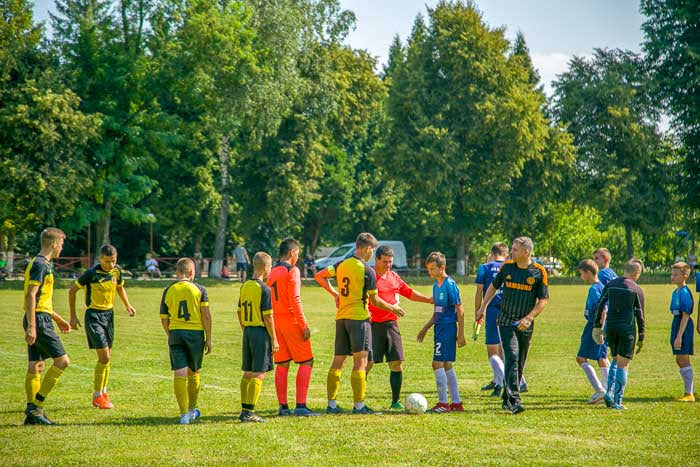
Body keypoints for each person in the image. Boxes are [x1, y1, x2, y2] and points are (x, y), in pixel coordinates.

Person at [315, 232, 404, 415]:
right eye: (371, 250)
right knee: (361, 361)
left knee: (338, 361)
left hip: (341, 318)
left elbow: (320, 276)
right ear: (367, 248)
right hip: (359, 319)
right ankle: (359, 406)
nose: (371, 254)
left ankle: (331, 405)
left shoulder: (342, 264)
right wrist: (393, 309)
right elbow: (375, 301)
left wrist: (335, 294)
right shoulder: (367, 271)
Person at [476, 236, 548, 415]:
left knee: (520, 360)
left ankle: (507, 398)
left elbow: (543, 300)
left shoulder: (539, 272)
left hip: (525, 323)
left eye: (515, 250)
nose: (511, 253)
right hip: (505, 320)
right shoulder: (507, 267)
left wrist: (529, 318)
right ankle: (514, 400)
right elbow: (493, 287)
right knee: (512, 356)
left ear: (526, 252)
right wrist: (483, 307)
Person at [68, 244, 136, 409]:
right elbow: (72, 291)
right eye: (107, 261)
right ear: (100, 259)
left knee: (108, 358)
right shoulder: (91, 274)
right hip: (94, 316)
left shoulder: (116, 271)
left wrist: (127, 305)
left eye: (113, 261)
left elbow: (120, 287)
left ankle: (104, 393)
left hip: (109, 316)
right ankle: (97, 396)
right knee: (104, 357)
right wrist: (73, 317)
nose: (110, 265)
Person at [366, 245, 433, 410]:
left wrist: (429, 300)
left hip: (391, 325)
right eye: (385, 261)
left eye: (390, 262)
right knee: (367, 363)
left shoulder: (394, 277)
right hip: (371, 325)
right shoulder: (369, 276)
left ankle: (395, 401)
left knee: (396, 363)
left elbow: (409, 292)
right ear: (377, 259)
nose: (388, 265)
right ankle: (358, 401)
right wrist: (391, 307)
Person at [23, 227, 72, 425]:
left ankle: (33, 416)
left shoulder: (42, 263)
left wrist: (58, 318)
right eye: (61, 244)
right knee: (62, 361)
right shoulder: (41, 265)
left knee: (36, 365)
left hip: (41, 317)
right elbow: (30, 295)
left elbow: (41, 298)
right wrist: (33, 326)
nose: (62, 248)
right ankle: (36, 405)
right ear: (53, 244)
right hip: (38, 320)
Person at [267, 238, 316, 417]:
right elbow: (295, 299)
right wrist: (304, 325)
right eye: (298, 253)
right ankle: (301, 406)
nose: (298, 257)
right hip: (291, 321)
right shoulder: (292, 270)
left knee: (282, 363)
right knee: (307, 361)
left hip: (275, 322)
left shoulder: (271, 272)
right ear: (291, 253)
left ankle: (283, 407)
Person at [160, 258, 212, 424]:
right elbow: (206, 315)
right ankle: (192, 410)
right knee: (194, 372)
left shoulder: (168, 290)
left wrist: (171, 334)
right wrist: (208, 338)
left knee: (179, 372)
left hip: (176, 333)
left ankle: (183, 415)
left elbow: (164, 318)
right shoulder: (199, 289)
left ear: (177, 273)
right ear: (191, 273)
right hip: (195, 334)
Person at [417, 252, 467, 413]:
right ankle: (456, 403)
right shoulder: (435, 286)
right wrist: (426, 328)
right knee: (446, 365)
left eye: (432, 269)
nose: (430, 272)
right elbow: (437, 312)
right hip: (440, 328)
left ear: (442, 267)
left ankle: (443, 403)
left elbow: (460, 310)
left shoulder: (449, 285)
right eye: (428, 269)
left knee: (436, 363)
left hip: (448, 329)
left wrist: (461, 334)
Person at [592, 258, 645, 410]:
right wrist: (642, 336)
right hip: (627, 329)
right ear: (637, 273)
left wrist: (597, 327)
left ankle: (608, 392)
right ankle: (617, 401)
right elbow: (640, 315)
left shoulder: (610, 284)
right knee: (624, 364)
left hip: (611, 328)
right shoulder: (636, 289)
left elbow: (600, 305)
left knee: (615, 360)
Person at [238, 252, 278, 423]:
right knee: (259, 372)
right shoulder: (265, 289)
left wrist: (245, 329)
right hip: (260, 332)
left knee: (247, 372)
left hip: (247, 331)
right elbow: (268, 317)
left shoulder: (245, 285)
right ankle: (250, 412)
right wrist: (274, 339)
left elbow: (239, 311)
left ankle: (244, 409)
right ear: (267, 267)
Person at [474, 243, 508, 397]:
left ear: (492, 253)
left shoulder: (485, 268)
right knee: (503, 348)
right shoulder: (510, 267)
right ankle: (497, 380)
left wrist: (478, 311)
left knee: (492, 351)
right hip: (508, 311)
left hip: (492, 309)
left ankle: (500, 384)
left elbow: (479, 291)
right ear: (505, 253)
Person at [575, 259, 609, 404]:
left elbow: (603, 309)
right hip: (602, 326)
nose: (581, 276)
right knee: (602, 358)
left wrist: (599, 329)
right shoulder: (602, 286)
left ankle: (600, 390)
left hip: (594, 326)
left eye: (581, 273)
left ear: (588, 273)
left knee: (581, 358)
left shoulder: (594, 288)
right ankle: (607, 391)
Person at [669, 262, 695, 401]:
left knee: (683, 358)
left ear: (684, 276)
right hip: (676, 323)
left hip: (683, 325)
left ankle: (689, 393)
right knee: (679, 358)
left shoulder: (685, 292)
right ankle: (689, 390)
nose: (672, 277)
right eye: (672, 274)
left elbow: (686, 314)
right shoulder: (676, 291)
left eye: (675, 274)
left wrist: (679, 336)